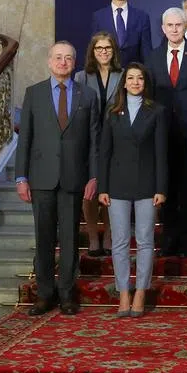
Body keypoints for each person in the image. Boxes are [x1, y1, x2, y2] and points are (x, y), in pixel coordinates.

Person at [14, 41, 101, 316]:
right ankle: (44, 294)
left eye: (68, 58)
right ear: (49, 61)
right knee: (44, 239)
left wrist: (93, 176)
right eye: (58, 58)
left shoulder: (88, 96)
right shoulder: (34, 94)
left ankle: (66, 294)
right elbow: (25, 139)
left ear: (74, 63)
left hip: (74, 179)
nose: (63, 62)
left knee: (69, 239)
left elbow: (94, 143)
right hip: (41, 179)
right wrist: (20, 177)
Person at [97, 64, 168, 317]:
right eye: (131, 78)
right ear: (124, 83)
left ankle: (140, 291)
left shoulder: (157, 111)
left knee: (146, 240)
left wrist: (161, 187)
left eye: (140, 78)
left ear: (145, 83)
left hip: (148, 186)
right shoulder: (112, 111)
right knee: (119, 242)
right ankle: (124, 291)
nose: (136, 82)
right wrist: (102, 186)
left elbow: (161, 153)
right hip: (116, 185)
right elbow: (103, 152)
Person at [147, 7, 187, 257]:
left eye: (179, 25)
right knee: (166, 186)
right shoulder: (152, 57)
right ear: (163, 29)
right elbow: (148, 96)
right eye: (170, 25)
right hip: (162, 131)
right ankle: (168, 237)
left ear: (186, 27)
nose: (174, 29)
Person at [73, 31, 123, 257]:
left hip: (116, 140)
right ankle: (93, 235)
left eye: (108, 48)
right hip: (89, 140)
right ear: (92, 52)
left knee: (112, 190)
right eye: (99, 48)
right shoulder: (81, 77)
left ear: (114, 51)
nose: (103, 52)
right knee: (90, 191)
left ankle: (110, 235)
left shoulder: (123, 75)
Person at [89, 0, 152, 66]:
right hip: (107, 73)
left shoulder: (142, 17)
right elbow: (94, 49)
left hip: (132, 75)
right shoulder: (99, 17)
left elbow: (146, 52)